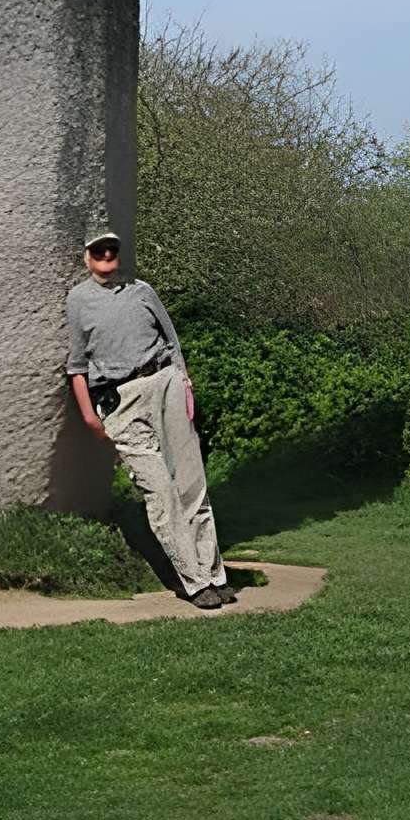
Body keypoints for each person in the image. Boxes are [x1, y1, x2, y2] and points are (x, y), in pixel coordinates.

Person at [64, 227, 231, 609]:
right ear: (87, 258)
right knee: (160, 493)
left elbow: (172, 342)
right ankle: (194, 582)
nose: (107, 256)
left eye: (112, 249)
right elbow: (77, 365)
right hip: (120, 401)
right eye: (99, 251)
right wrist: (89, 417)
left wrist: (184, 384)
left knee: (191, 483)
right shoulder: (78, 300)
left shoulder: (142, 291)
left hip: (165, 384)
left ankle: (215, 575)